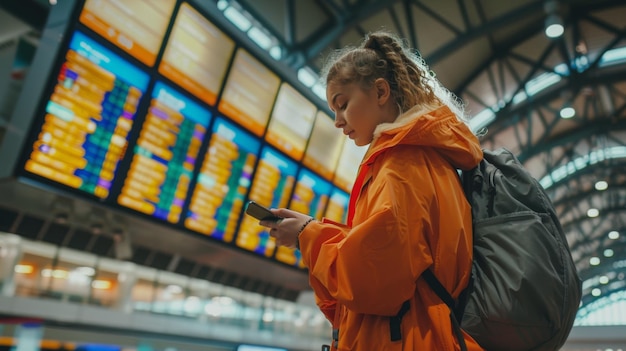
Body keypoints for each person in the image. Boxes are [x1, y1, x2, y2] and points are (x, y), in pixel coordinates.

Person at [260, 30, 485, 350]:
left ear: (380, 91)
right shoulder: (428, 159)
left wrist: (306, 236)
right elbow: (389, 253)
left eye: (343, 104)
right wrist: (314, 231)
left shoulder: (401, 168)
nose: (338, 121)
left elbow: (372, 283)